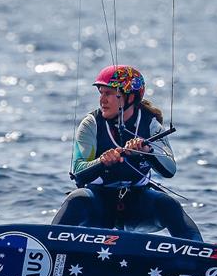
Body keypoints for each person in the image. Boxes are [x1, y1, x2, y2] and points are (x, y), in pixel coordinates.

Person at [53, 65, 203, 241]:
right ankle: (47, 247)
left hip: (137, 204)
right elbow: (78, 172)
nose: (102, 100)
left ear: (130, 97)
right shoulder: (91, 124)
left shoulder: (151, 125)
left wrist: (148, 152)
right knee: (76, 199)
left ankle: (202, 255)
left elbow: (170, 170)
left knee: (169, 204)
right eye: (101, 93)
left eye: (108, 94)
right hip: (97, 203)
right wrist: (103, 161)